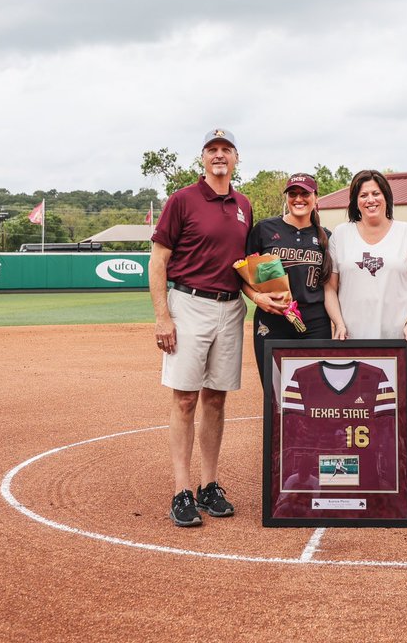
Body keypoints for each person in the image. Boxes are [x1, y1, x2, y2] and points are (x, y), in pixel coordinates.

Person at [149, 128, 252, 527]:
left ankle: (210, 486)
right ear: (203, 159)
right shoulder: (182, 200)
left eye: (226, 150)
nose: (219, 156)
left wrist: (258, 297)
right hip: (189, 304)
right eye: (213, 150)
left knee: (216, 399)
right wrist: (163, 316)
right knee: (185, 399)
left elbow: (243, 265)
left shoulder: (243, 204)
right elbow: (158, 260)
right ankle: (181, 490)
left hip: (230, 308)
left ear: (236, 159)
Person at [243, 173, 333, 384]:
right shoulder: (264, 230)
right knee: (273, 389)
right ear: (286, 197)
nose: (298, 198)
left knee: (315, 388)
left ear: (316, 198)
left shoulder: (327, 237)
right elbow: (244, 275)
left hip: (315, 322)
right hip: (273, 318)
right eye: (293, 193)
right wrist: (257, 298)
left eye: (305, 193)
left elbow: (332, 284)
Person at [324, 169, 407, 340]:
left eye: (376, 193)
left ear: (386, 197)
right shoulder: (340, 234)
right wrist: (339, 324)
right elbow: (330, 289)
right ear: (355, 201)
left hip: (398, 339)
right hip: (350, 338)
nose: (370, 200)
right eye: (363, 195)